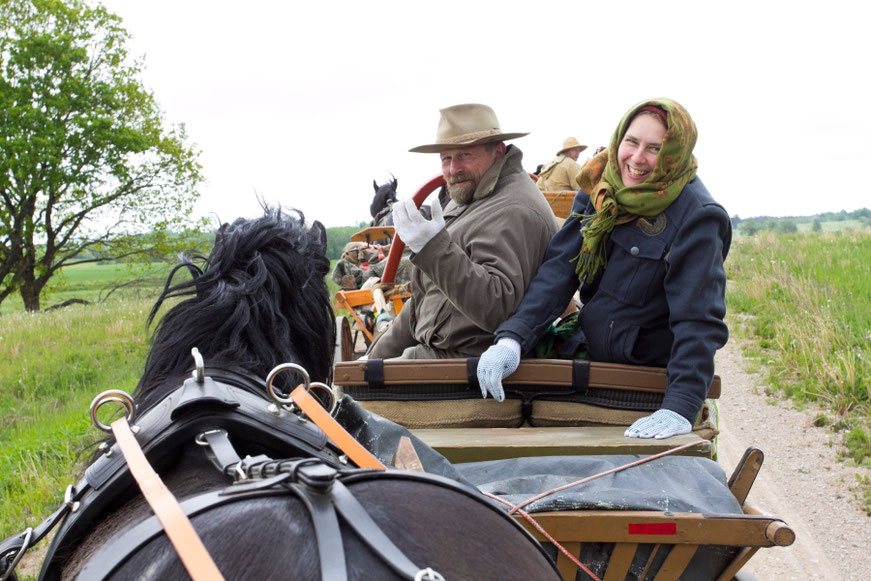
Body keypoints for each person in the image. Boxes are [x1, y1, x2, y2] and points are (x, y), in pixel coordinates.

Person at [476, 98, 731, 440]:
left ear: (675, 154)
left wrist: (681, 404)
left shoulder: (697, 217)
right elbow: (560, 269)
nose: (638, 158)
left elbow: (697, 321)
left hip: (644, 372)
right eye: (632, 142)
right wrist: (513, 338)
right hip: (592, 349)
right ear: (619, 140)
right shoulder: (599, 184)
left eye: (654, 148)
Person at [367, 103, 558, 359]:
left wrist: (432, 248)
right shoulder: (473, 195)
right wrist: (371, 359)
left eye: (465, 155)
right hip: (435, 352)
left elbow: (498, 308)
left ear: (498, 151)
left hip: (470, 365)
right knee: (351, 384)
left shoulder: (514, 209)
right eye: (446, 158)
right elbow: (428, 296)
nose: (452, 170)